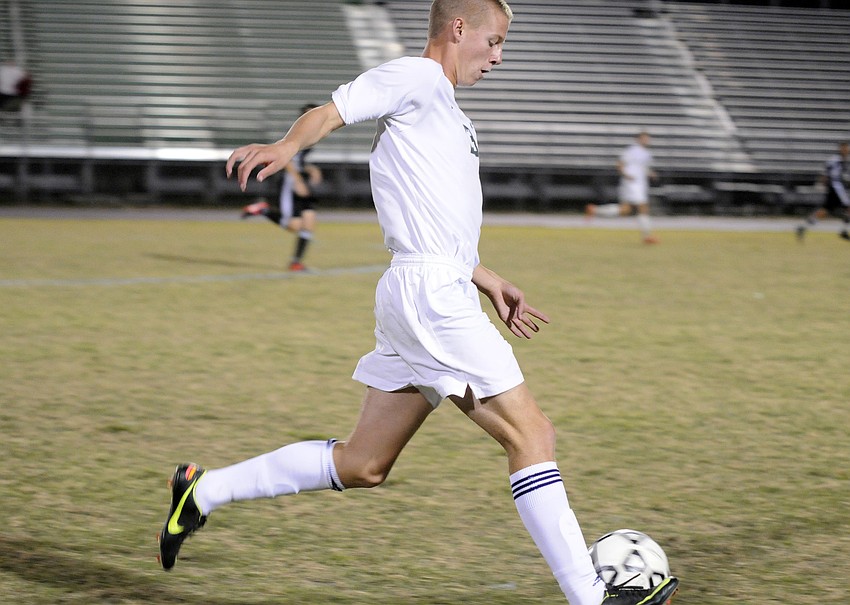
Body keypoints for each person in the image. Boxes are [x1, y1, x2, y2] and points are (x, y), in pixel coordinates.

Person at [157, 2, 678, 604]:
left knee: (364, 463)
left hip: (428, 287)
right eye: (494, 41)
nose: (499, 57)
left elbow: (432, 212)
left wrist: (481, 274)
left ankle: (203, 490)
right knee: (532, 436)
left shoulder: (445, 109)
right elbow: (331, 111)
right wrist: (288, 144)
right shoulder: (418, 77)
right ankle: (591, 598)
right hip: (430, 296)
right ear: (459, 28)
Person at [241, 103, 323, 271]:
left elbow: (299, 160)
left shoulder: (313, 135)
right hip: (290, 181)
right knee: (294, 225)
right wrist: (297, 180)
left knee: (309, 222)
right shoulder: (297, 133)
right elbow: (287, 159)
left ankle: (296, 262)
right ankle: (264, 209)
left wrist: (310, 169)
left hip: (300, 179)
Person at [585, 132, 660, 244]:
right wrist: (626, 175)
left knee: (625, 210)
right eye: (644, 139)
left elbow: (642, 168)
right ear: (638, 139)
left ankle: (595, 210)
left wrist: (650, 173)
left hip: (639, 184)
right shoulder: (632, 151)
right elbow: (620, 164)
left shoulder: (646, 153)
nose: (647, 141)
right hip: (632, 183)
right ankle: (647, 236)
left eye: (647, 139)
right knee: (643, 207)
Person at [796, 141, 849, 242]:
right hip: (836, 187)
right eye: (845, 148)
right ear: (841, 149)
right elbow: (826, 173)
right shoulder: (836, 160)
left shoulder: (842, 160)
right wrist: (822, 183)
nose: (847, 150)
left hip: (836, 187)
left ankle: (803, 227)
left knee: (824, 211)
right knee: (848, 207)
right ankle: (844, 231)